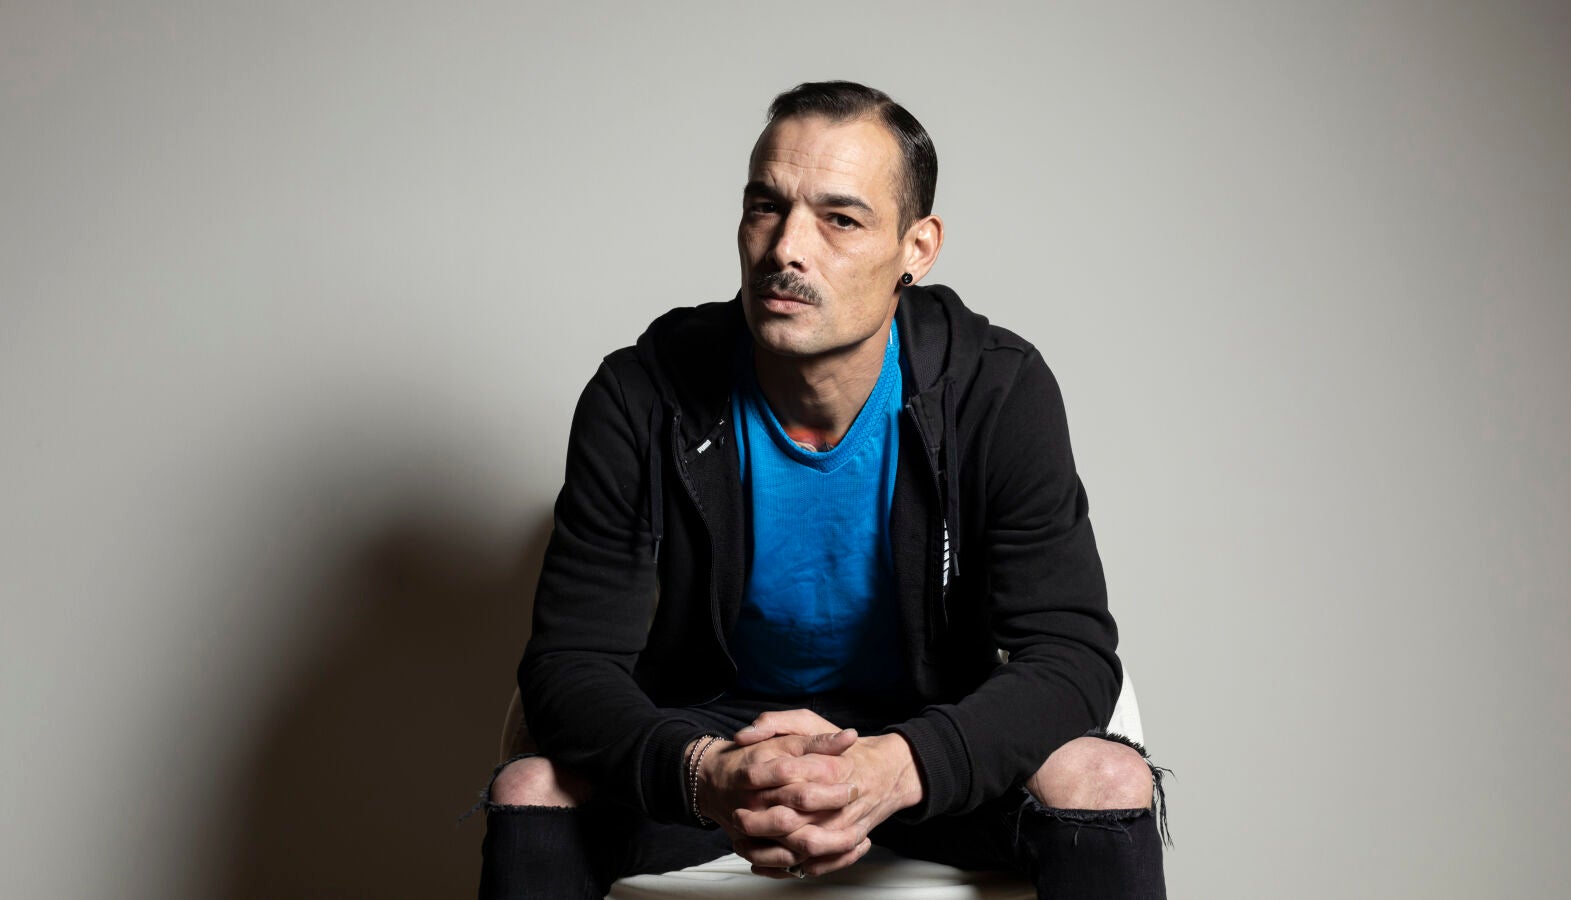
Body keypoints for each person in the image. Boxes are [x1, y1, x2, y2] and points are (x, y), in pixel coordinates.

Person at [477, 80, 1168, 899]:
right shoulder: (640, 395)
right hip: (721, 738)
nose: (786, 249)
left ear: (917, 248)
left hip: (930, 728)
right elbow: (569, 667)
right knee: (534, 784)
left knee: (1107, 779)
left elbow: (1071, 654)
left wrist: (901, 764)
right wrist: (705, 772)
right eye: (766, 207)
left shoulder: (996, 391)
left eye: (840, 219)